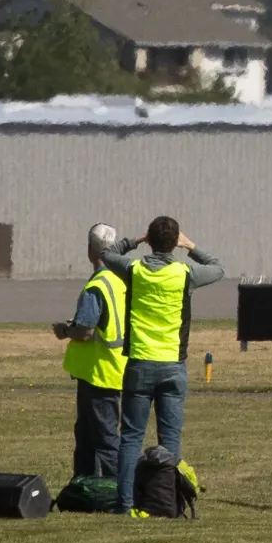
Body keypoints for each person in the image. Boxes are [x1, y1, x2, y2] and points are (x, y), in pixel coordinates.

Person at [102, 215, 224, 517]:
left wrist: (135, 240)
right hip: (172, 365)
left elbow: (107, 254)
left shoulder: (135, 270)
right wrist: (191, 246)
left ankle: (125, 504)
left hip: (141, 363)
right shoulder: (184, 274)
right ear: (175, 242)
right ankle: (169, 503)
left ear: (151, 240)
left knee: (131, 437)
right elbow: (218, 268)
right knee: (170, 440)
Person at [53, 224, 127, 479]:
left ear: (89, 251)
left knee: (105, 439)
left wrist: (64, 331)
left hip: (98, 372)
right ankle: (83, 485)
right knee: (85, 435)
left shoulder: (98, 285)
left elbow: (85, 331)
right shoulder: (121, 279)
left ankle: (120, 491)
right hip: (113, 367)